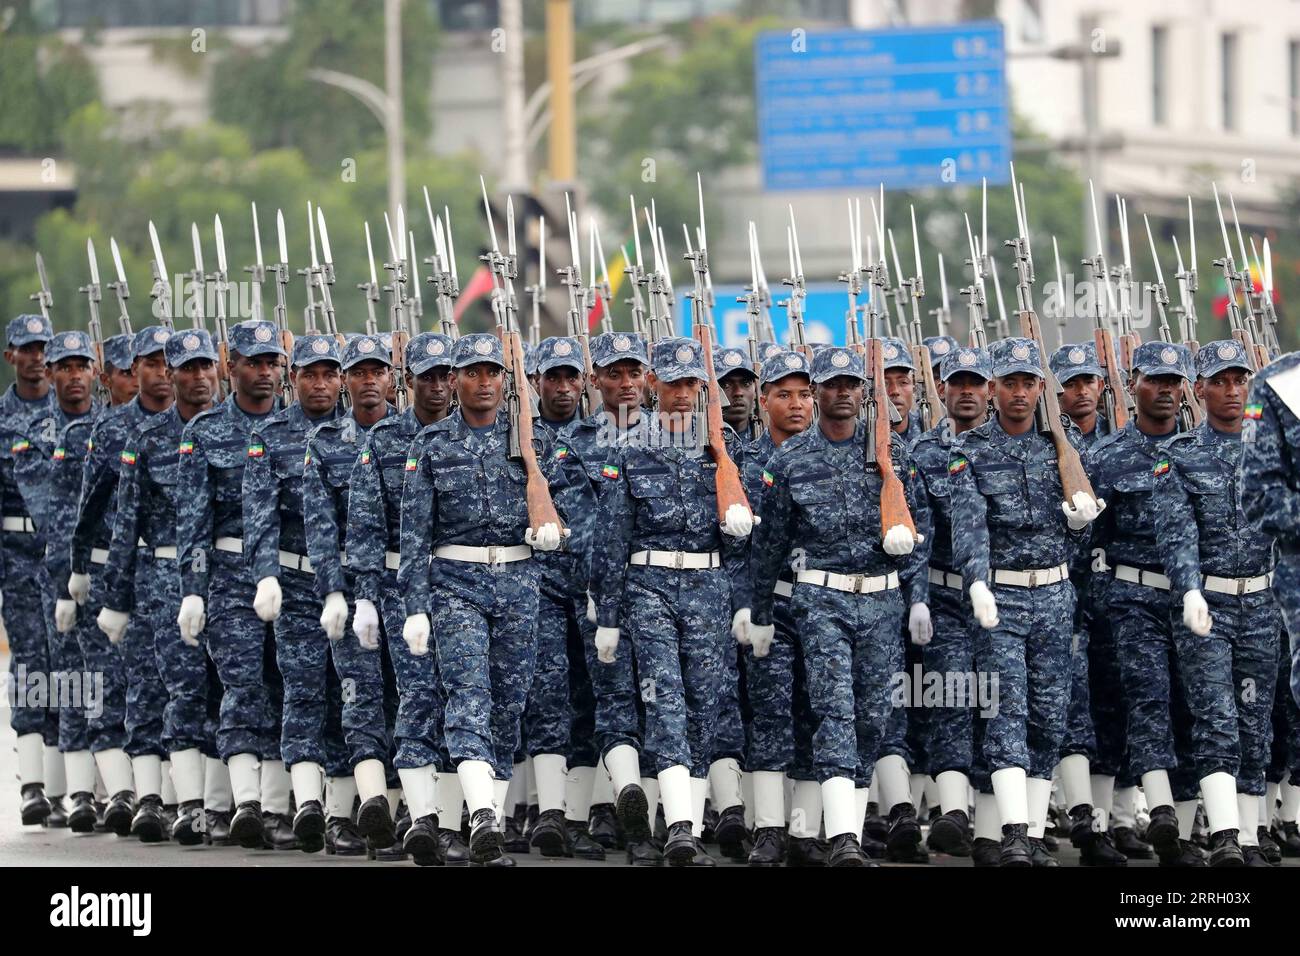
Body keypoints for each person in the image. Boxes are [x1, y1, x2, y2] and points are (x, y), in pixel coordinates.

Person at [398, 333, 586, 866]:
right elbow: (414, 535)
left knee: (508, 704)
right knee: (467, 693)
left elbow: (583, 516)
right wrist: (414, 605)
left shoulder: (536, 444)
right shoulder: (431, 447)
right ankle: (483, 816)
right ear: (454, 379)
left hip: (520, 582)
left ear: (507, 381)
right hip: (455, 581)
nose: (483, 383)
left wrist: (557, 532)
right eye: (472, 373)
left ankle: (486, 825)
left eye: (493, 373)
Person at [748, 344, 927, 867]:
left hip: (881, 600)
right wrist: (760, 612)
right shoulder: (791, 460)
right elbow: (771, 545)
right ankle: (844, 837)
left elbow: (920, 528)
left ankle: (838, 824)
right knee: (833, 712)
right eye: (832, 385)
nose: (843, 393)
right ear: (819, 392)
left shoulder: (891, 455)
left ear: (862, 393)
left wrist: (915, 594)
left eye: (852, 384)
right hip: (819, 600)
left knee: (873, 717)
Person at [590, 336, 754, 866]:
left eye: (692, 384)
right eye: (674, 383)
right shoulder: (630, 447)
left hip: (709, 588)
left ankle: (681, 814)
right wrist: (609, 616)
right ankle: (679, 826)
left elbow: (744, 540)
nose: (684, 394)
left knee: (707, 703)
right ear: (654, 385)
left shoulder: (722, 447)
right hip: (649, 586)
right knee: (665, 701)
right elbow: (612, 538)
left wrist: (743, 585)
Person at [948, 337, 1102, 867]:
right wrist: (976, 583)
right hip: (1002, 596)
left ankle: (1033, 831)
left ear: (1042, 389)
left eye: (1028, 383)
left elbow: (1075, 535)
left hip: (1056, 595)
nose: (1019, 394)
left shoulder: (1059, 449)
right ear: (992, 389)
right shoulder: (969, 452)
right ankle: (1013, 829)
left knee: (1048, 716)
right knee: (1006, 709)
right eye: (1008, 383)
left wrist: (1081, 522)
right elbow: (969, 527)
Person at [1154, 339, 1280, 867]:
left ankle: (1249, 836)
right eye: (1220, 381)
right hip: (1208, 606)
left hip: (1263, 605)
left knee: (1256, 717)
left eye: (1239, 380)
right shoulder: (1179, 457)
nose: (1232, 390)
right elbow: (1175, 533)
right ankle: (1225, 832)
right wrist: (1187, 590)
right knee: (1215, 715)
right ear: (1198, 389)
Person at [101, 328, 224, 844]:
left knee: (224, 692)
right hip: (163, 578)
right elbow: (125, 525)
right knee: (167, 688)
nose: (198, 378)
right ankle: (165, 801)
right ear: (169, 376)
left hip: (227, 575)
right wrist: (116, 598)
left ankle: (222, 806)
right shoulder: (146, 440)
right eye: (187, 369)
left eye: (205, 367)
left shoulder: (233, 430)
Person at [1085, 341, 1203, 867]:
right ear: (1133, 385)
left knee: (1193, 707)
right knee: (1146, 698)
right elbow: (1088, 543)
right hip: (1132, 598)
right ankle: (1160, 812)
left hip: (1196, 600)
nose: (1167, 391)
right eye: (1156, 380)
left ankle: (1185, 824)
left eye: (1175, 382)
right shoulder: (1106, 458)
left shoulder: (1200, 451)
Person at [176, 319, 290, 850]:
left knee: (288, 684)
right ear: (232, 367)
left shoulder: (300, 429)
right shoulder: (204, 432)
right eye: (253, 362)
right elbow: (192, 520)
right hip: (227, 577)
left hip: (291, 576)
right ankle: (245, 803)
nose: (263, 372)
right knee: (242, 685)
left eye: (271, 362)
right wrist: (193, 588)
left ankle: (277, 806)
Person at [68, 327, 174, 841]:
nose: (152, 374)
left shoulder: (198, 422)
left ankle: (180, 796)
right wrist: (79, 571)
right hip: (125, 572)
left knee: (183, 684)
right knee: (127, 683)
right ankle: (134, 791)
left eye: (161, 363)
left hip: (189, 572)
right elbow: (89, 510)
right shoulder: (112, 432)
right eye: (144, 365)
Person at [560, 331, 659, 863]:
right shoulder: (575, 442)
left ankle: (635, 808)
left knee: (662, 703)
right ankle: (604, 810)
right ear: (594, 379)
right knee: (600, 699)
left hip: (662, 593)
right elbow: (582, 524)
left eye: (633, 372)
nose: (625, 384)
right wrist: (601, 588)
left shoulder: (671, 439)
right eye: (613, 374)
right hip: (595, 594)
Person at [13, 331, 106, 831]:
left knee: (96, 672)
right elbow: (49, 506)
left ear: (94, 371)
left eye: (81, 366)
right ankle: (44, 784)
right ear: (50, 374)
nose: (73, 376)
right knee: (46, 667)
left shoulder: (108, 426)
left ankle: (87, 786)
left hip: (99, 562)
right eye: (63, 367)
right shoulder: (35, 429)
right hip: (39, 561)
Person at [1048, 341, 1132, 865]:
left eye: (1089, 381)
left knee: (1114, 705)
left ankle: (1113, 821)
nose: (1082, 391)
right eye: (1070, 383)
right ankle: (1082, 818)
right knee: (1071, 704)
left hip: (1117, 596)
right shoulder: (1043, 443)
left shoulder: (1122, 440)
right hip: (1063, 592)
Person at [908, 345, 994, 861]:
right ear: (940, 389)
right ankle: (954, 813)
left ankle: (994, 825)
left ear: (990, 390)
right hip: (943, 595)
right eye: (956, 382)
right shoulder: (923, 453)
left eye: (975, 383)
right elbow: (918, 533)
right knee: (951, 700)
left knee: (1002, 707)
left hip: (1007, 595)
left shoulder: (1013, 446)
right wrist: (917, 598)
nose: (965, 391)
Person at [737, 349, 816, 866]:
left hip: (823, 603)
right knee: (766, 713)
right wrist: (745, 604)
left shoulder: (837, 455)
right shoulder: (743, 462)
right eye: (783, 394)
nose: (796, 404)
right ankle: (768, 827)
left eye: (805, 395)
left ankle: (806, 829)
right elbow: (736, 544)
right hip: (770, 604)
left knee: (820, 714)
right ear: (763, 401)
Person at [0, 314, 59, 825]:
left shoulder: (74, 410)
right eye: (27, 348)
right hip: (18, 553)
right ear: (10, 357)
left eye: (43, 347)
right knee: (31, 661)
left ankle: (69, 783)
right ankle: (33, 782)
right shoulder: (0, 419)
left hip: (66, 553)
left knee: (74, 661)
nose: (36, 356)